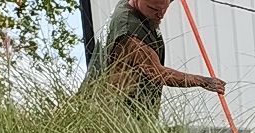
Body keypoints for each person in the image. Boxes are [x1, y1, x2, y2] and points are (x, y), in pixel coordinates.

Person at [94, 0, 223, 113]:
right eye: (153, 9)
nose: (160, 15)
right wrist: (202, 81)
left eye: (164, 8)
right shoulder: (130, 33)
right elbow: (156, 72)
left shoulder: (145, 5)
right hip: (114, 115)